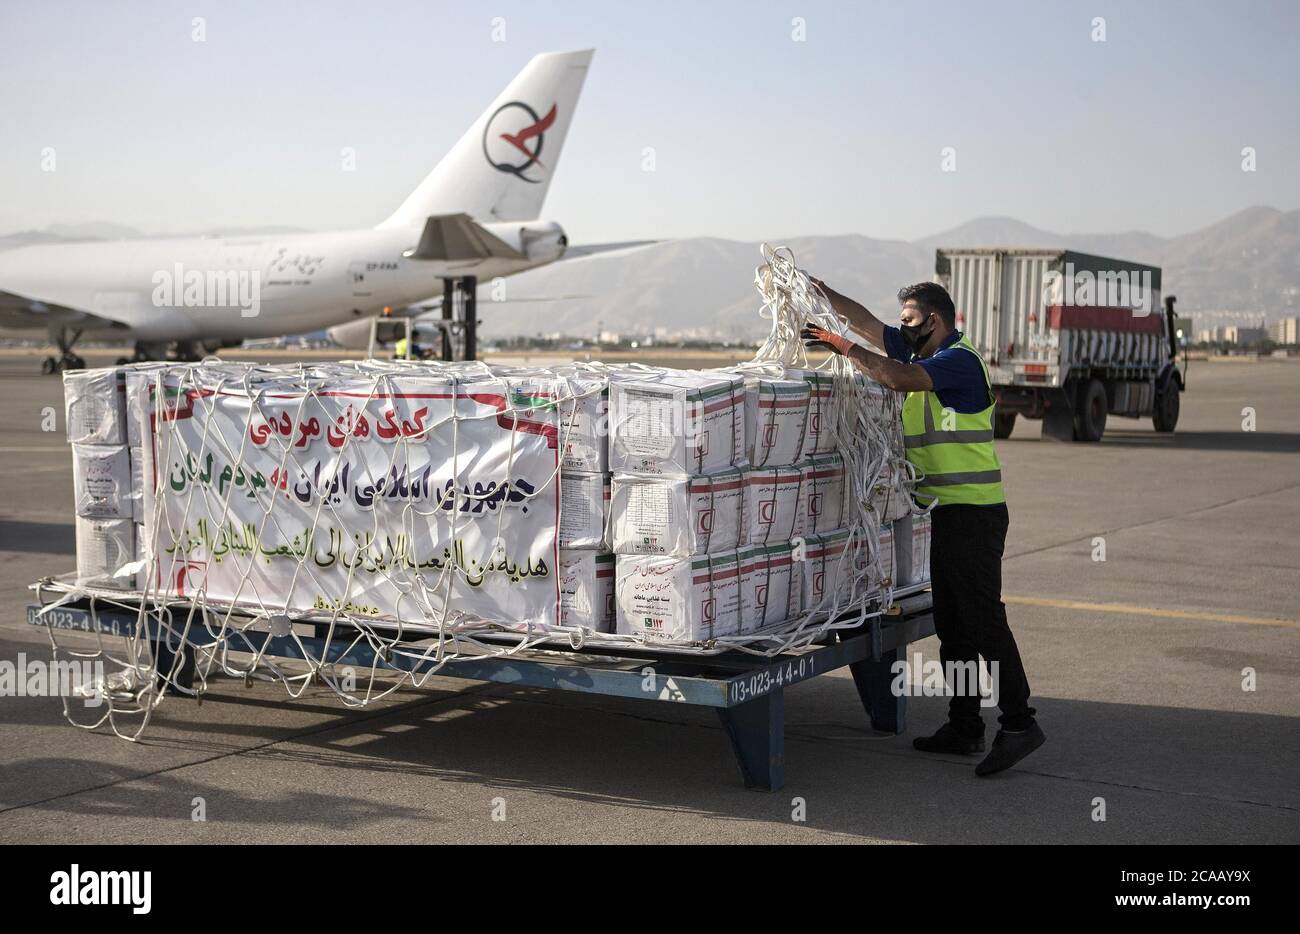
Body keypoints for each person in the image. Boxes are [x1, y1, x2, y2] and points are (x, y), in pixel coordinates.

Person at [802, 280, 1045, 776]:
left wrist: (840, 348)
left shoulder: (958, 361)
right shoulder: (926, 349)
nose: (901, 326)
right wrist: (818, 290)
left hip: (975, 513)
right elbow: (866, 322)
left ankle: (1020, 724)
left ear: (935, 320)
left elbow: (895, 377)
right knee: (954, 628)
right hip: (947, 512)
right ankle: (964, 725)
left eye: (910, 319)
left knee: (983, 621)